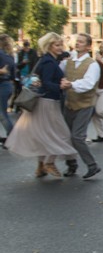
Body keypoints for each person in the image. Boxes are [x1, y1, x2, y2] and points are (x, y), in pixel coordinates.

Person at [4, 32, 77, 175]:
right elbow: (47, 83)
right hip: (48, 102)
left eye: (61, 44)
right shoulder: (49, 62)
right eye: (57, 45)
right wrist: (61, 87)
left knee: (42, 136)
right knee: (61, 134)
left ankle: (40, 167)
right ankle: (49, 163)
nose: (60, 47)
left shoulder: (46, 59)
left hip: (42, 102)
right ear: (49, 46)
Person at [60, 33, 102, 179]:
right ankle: (71, 164)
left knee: (77, 136)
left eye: (81, 42)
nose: (78, 44)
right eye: (77, 41)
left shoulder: (92, 64)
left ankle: (92, 165)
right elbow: (60, 73)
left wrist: (71, 84)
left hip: (85, 104)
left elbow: (89, 84)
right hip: (69, 103)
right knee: (66, 136)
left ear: (89, 46)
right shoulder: (68, 61)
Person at [0, 34, 16, 142]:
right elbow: (14, 75)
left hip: (1, 85)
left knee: (2, 113)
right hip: (8, 85)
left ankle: (13, 136)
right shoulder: (10, 56)